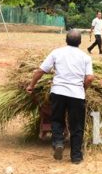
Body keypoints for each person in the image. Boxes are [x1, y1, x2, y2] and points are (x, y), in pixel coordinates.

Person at [26, 30, 94, 163]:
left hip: (58, 92)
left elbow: (41, 71)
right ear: (80, 42)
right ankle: (76, 156)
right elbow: (90, 78)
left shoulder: (56, 52)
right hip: (77, 95)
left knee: (57, 120)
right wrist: (83, 88)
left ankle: (58, 143)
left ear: (66, 40)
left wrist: (31, 85)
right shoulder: (85, 57)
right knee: (77, 125)